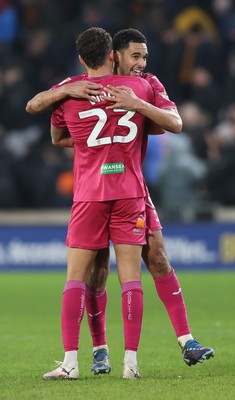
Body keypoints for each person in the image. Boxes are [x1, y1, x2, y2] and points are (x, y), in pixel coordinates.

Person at [26, 28, 214, 375]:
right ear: (116, 55)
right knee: (100, 275)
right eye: (136, 57)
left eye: (145, 57)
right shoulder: (80, 88)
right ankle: (106, 353)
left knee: (156, 257)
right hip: (119, 188)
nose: (142, 64)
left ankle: (185, 340)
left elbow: (172, 122)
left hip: (124, 191)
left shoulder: (145, 87)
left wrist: (134, 109)